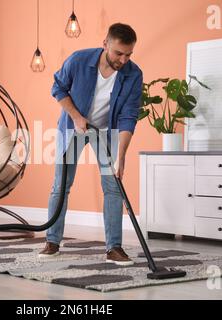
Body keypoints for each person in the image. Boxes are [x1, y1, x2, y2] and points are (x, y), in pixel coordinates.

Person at [38, 23, 143, 266]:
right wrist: (76, 116)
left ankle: (114, 247)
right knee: (60, 186)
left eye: (129, 54)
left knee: (112, 186)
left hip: (108, 132)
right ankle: (52, 241)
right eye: (119, 53)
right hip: (73, 127)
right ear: (105, 43)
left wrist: (122, 154)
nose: (124, 59)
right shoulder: (79, 60)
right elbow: (58, 87)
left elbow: (129, 115)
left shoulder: (133, 74)